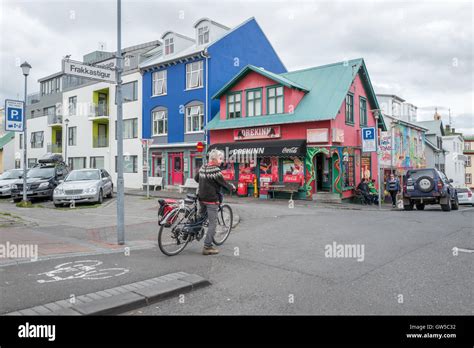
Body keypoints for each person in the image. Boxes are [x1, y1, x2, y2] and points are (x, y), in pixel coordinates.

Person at [194, 149, 236, 255]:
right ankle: (207, 246)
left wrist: (205, 180)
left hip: (201, 198)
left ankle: (193, 233)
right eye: (220, 158)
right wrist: (232, 188)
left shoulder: (203, 167)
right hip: (211, 200)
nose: (221, 161)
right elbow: (224, 184)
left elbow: (196, 179)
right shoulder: (216, 170)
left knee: (200, 218)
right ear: (214, 159)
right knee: (213, 223)